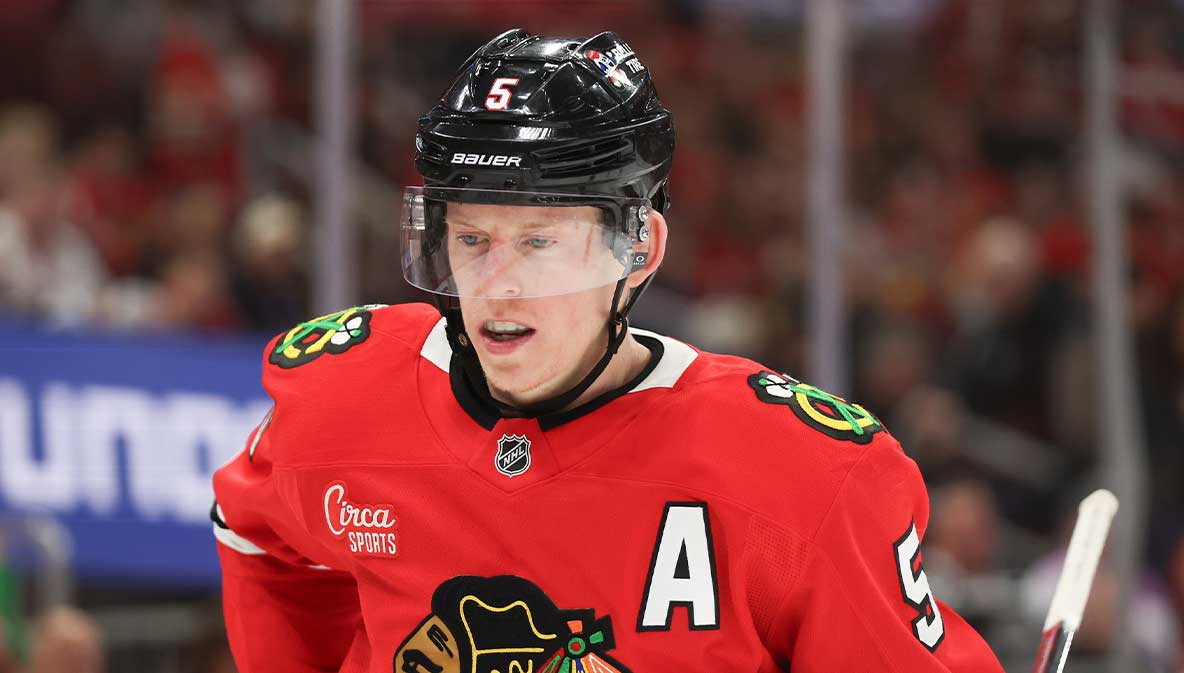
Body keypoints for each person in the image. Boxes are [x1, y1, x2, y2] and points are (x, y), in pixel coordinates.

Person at [212, 29, 1004, 673]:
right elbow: (259, 533)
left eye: (541, 244)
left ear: (639, 248)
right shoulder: (345, 399)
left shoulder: (804, 475)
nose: (501, 285)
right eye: (473, 239)